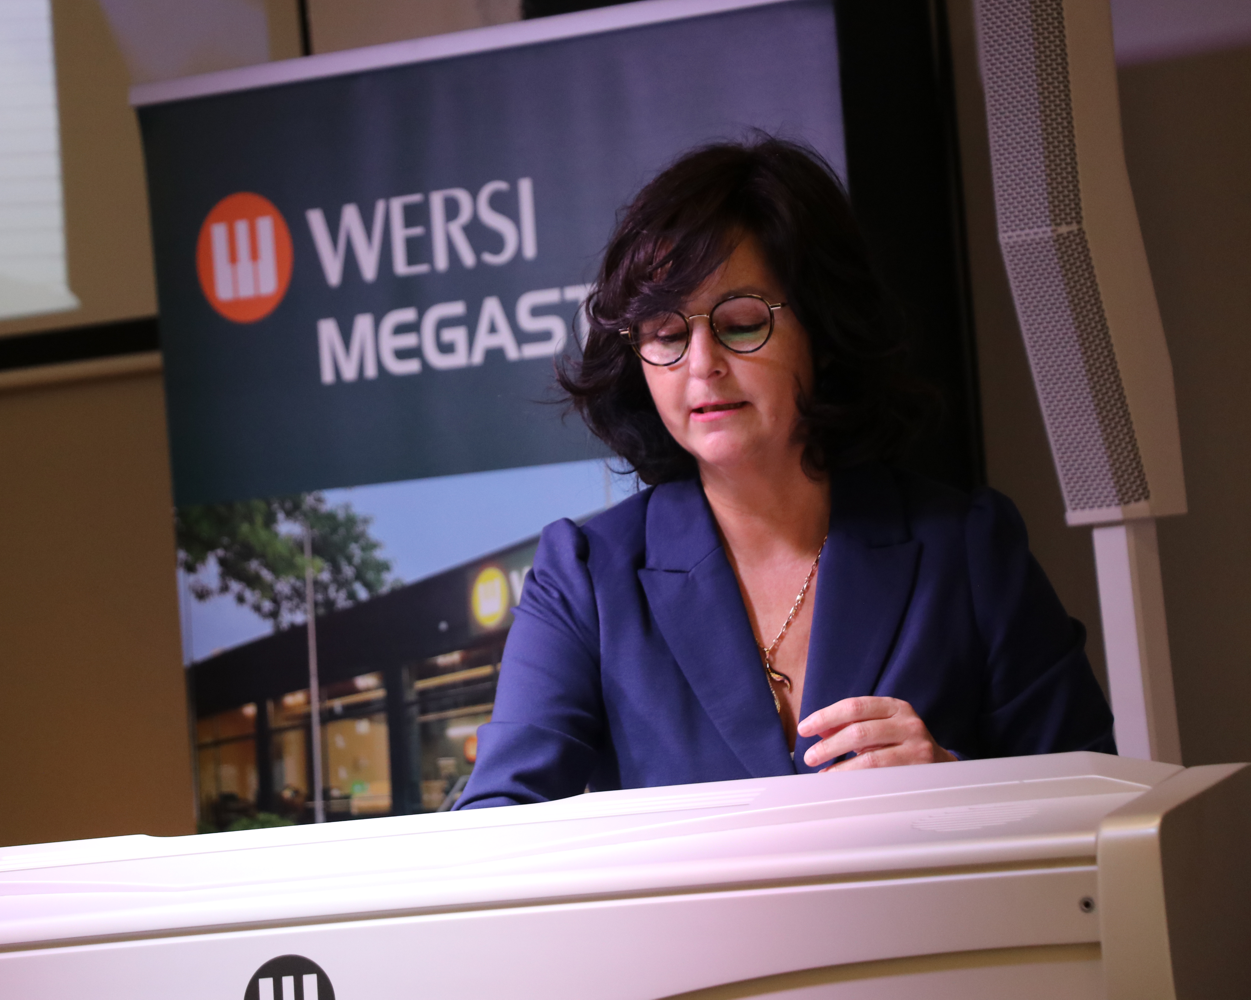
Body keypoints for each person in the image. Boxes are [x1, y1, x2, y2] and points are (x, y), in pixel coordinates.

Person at [456, 138, 1115, 809]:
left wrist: (956, 782)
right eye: (666, 334)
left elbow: (1095, 802)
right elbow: (495, 822)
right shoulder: (585, 576)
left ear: (822, 329)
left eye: (742, 323)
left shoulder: (969, 546)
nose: (701, 364)